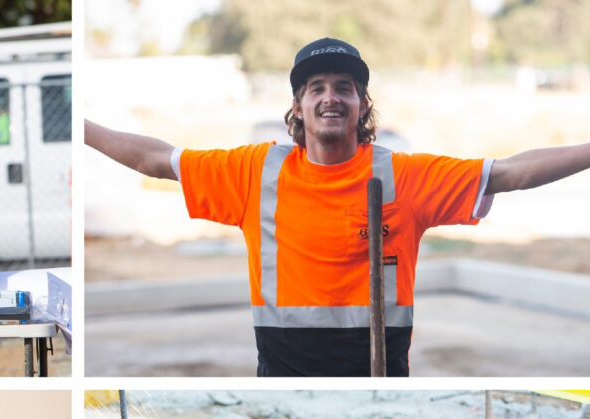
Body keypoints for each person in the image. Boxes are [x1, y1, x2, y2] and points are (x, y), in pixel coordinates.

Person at [85, 37, 590, 376]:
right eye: (317, 89)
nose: (331, 97)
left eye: (344, 88)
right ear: (298, 106)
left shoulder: (403, 176)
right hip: (283, 375)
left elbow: (511, 173)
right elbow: (158, 160)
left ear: (362, 104)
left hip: (377, 374)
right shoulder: (256, 172)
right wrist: (78, 128)